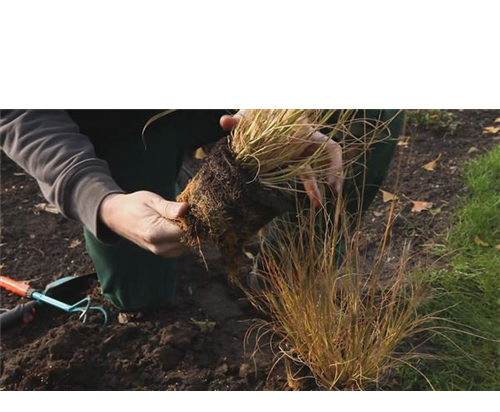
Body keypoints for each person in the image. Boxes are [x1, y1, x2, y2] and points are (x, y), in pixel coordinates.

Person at [0, 109, 404, 310]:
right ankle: (167, 186)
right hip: (115, 130)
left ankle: (287, 276)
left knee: (369, 115)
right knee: (140, 298)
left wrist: (272, 119)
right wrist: (104, 202)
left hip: (223, 112)